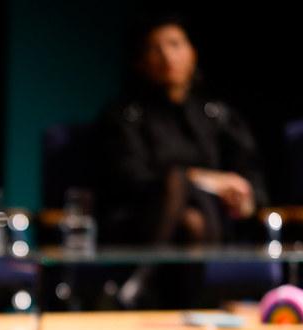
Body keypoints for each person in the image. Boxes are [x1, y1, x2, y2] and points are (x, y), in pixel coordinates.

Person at [97, 14, 268, 309]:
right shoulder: (126, 116)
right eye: (155, 48)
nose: (167, 57)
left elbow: (252, 176)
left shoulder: (217, 115)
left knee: (194, 217)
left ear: (192, 54)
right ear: (140, 62)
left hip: (220, 223)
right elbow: (128, 180)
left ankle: (137, 284)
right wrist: (202, 180)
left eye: (175, 45)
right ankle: (194, 313)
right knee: (184, 205)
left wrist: (245, 198)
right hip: (142, 223)